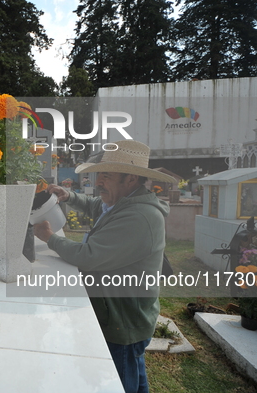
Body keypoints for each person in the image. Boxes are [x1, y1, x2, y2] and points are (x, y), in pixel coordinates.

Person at [33, 140, 176, 393]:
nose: (98, 182)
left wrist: (51, 238)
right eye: (98, 175)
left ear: (130, 178)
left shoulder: (138, 217)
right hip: (123, 312)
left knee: (121, 380)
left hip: (123, 319)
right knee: (134, 372)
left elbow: (88, 255)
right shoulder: (123, 201)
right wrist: (69, 196)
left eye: (106, 176)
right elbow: (96, 206)